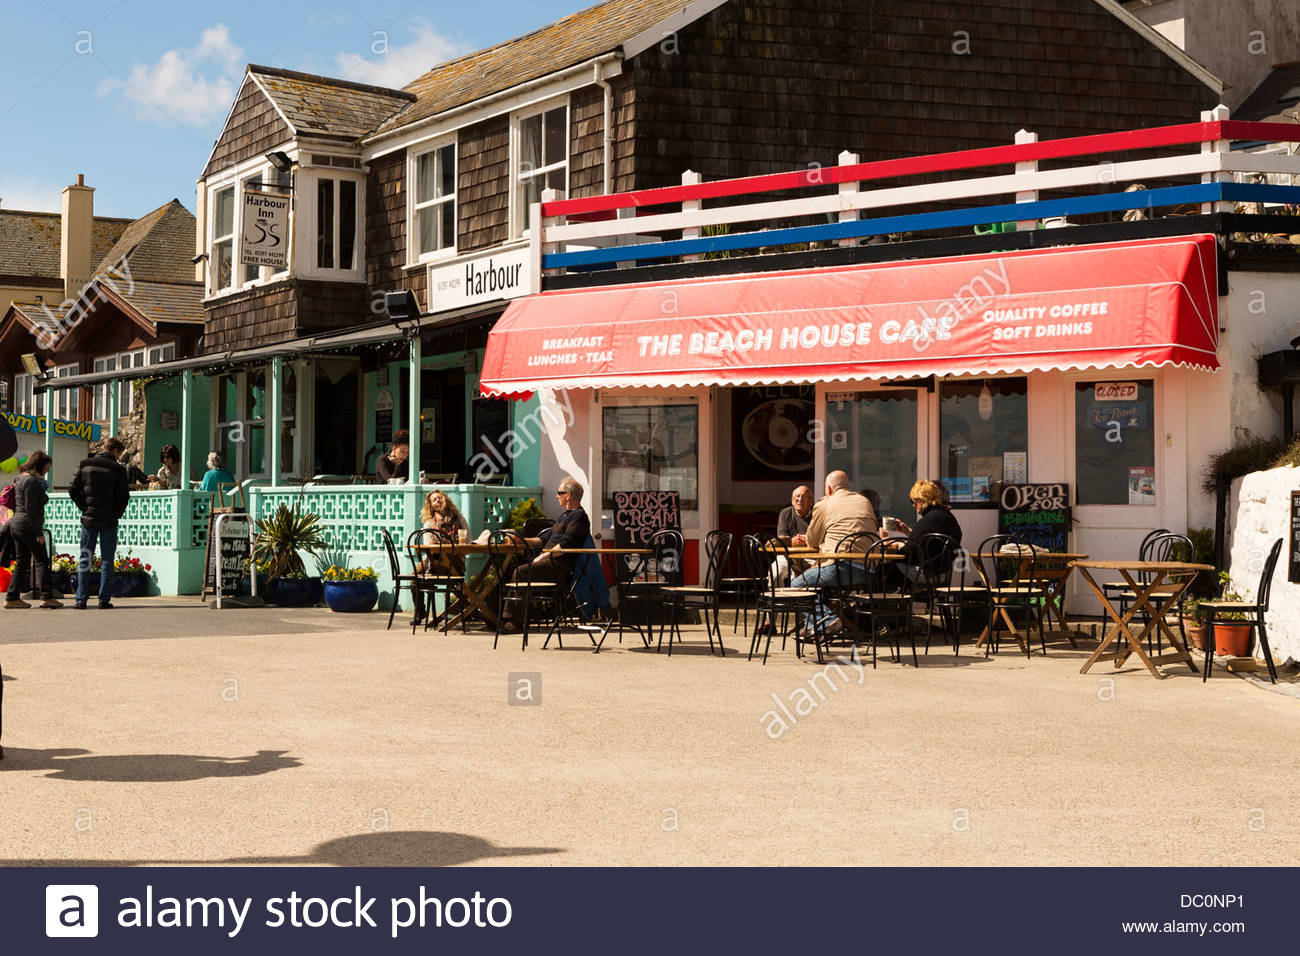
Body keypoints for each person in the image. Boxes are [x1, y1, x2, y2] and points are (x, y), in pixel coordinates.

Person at [790, 470, 879, 634]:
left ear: (829, 489)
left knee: (797, 587)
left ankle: (827, 623)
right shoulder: (864, 500)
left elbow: (812, 541)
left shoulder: (824, 504)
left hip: (841, 568)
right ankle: (813, 627)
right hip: (869, 570)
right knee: (819, 587)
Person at [498, 477, 591, 632]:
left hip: (560, 565)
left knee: (521, 572)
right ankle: (509, 617)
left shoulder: (579, 517)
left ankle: (515, 622)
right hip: (549, 561)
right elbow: (542, 540)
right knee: (510, 569)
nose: (556, 496)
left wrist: (542, 557)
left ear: (568, 495)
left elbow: (566, 544)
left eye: (559, 493)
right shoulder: (563, 516)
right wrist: (519, 540)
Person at [68, 436, 130, 610]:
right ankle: (104, 599)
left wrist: (85, 507)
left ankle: (81, 599)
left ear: (104, 447)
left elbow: (72, 489)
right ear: (116, 451)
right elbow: (124, 496)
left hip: (89, 519)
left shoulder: (84, 464)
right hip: (109, 520)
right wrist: (116, 513)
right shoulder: (118, 469)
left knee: (85, 558)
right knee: (107, 560)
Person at [4, 451, 60, 609]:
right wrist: (38, 534)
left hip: (17, 524)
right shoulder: (31, 482)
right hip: (28, 525)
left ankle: (12, 597)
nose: (47, 470)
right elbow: (31, 509)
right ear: (40, 465)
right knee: (42, 560)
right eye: (47, 467)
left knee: (21, 562)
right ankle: (46, 596)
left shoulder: (20, 478)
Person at [886, 479, 963, 586]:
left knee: (885, 569)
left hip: (928, 574)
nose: (913, 505)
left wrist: (895, 552)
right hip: (944, 573)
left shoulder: (929, 519)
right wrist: (907, 531)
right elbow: (927, 542)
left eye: (913, 501)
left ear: (921, 501)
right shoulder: (947, 517)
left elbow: (909, 553)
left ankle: (881, 602)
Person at [771, 485, 814, 586]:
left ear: (811, 501)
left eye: (804, 497)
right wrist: (792, 541)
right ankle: (778, 600)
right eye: (796, 497)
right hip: (787, 556)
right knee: (776, 573)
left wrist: (809, 540)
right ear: (792, 500)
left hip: (812, 556)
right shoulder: (785, 513)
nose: (799, 500)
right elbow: (781, 540)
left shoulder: (817, 514)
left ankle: (807, 601)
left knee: (817, 575)